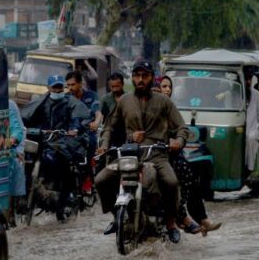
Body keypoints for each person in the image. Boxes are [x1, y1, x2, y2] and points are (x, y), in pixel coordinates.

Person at [96, 59, 188, 243]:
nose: (140, 79)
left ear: (151, 78)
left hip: (157, 155)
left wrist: (178, 141)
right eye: (137, 76)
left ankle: (171, 223)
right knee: (101, 179)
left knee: (171, 182)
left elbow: (182, 128)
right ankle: (116, 216)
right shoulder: (124, 100)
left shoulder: (163, 101)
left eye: (144, 76)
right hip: (130, 154)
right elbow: (109, 127)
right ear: (132, 78)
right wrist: (104, 146)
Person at [21, 74, 91, 222]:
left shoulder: (71, 102)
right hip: (44, 139)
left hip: (63, 140)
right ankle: (23, 196)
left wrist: (75, 128)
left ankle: (64, 196)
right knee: (25, 157)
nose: (58, 91)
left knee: (64, 162)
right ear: (48, 88)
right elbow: (28, 117)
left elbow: (79, 117)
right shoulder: (41, 102)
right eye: (55, 87)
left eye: (60, 87)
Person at [160, 75, 222, 236]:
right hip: (151, 153)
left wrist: (177, 140)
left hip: (170, 152)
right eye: (163, 86)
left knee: (189, 176)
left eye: (169, 86)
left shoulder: (171, 107)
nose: (167, 89)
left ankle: (196, 218)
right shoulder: (147, 105)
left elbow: (181, 128)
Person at [244, 69, 259, 190]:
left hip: (253, 129)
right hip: (238, 129)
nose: (248, 81)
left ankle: (249, 170)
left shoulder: (255, 94)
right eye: (246, 79)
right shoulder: (233, 93)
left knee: (251, 137)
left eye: (249, 79)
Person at [95, 72, 127, 154]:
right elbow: (100, 112)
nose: (115, 89)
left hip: (126, 129)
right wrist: (96, 123)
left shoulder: (129, 98)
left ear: (122, 84)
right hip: (110, 129)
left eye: (117, 86)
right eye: (112, 87)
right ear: (109, 86)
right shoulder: (106, 99)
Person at [8, 99, 26, 226]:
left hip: (8, 148)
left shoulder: (9, 105)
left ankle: (10, 212)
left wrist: (12, 140)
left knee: (15, 165)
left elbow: (17, 128)